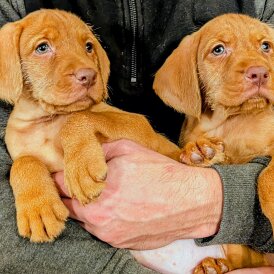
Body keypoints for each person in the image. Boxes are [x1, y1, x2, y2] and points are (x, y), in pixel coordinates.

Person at [0, 0, 274, 273]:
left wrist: (215, 201)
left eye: (88, 48)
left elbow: (137, 129)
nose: (85, 68)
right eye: (43, 47)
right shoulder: (12, 14)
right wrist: (25, 171)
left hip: (232, 251)